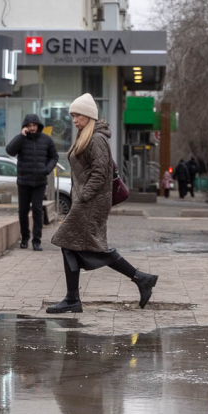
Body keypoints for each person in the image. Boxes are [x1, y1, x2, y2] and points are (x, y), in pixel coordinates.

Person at [48, 93, 159, 313]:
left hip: (90, 203)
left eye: (77, 115)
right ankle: (75, 298)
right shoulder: (85, 136)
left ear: (88, 115)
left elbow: (100, 173)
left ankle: (140, 279)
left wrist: (83, 197)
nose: (74, 119)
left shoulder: (96, 138)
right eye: (72, 115)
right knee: (71, 245)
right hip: (88, 202)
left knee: (84, 246)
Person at [5, 114, 59, 251]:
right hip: (24, 181)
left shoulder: (46, 140)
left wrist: (46, 169)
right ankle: (24, 238)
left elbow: (54, 156)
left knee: (37, 210)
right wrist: (21, 136)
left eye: (34, 125)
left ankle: (37, 240)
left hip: (39, 182)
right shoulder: (21, 139)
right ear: (25, 127)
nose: (32, 128)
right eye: (29, 126)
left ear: (38, 126)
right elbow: (10, 150)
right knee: (23, 211)